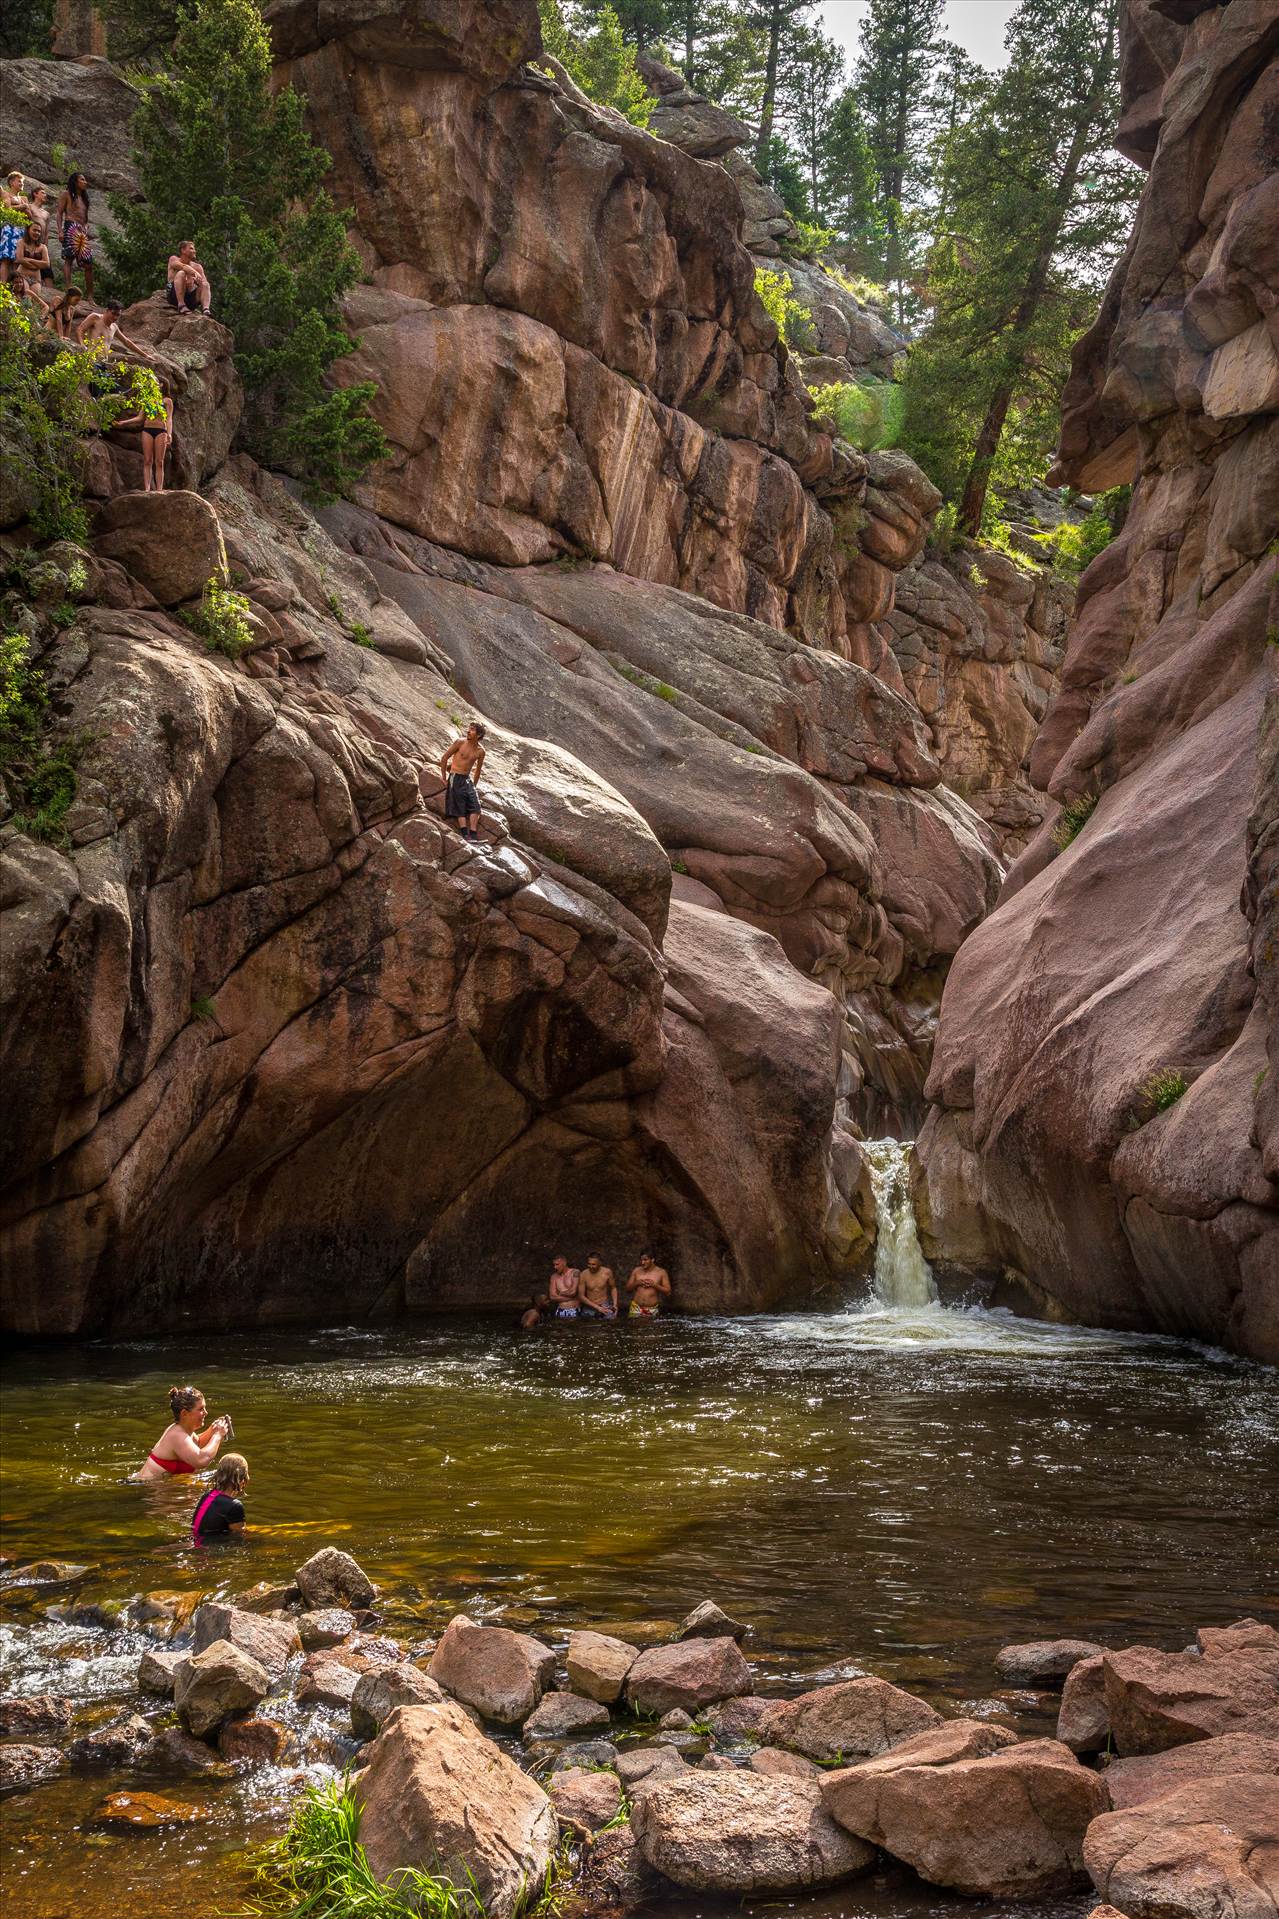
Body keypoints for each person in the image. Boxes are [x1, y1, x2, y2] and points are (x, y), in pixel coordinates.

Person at [135, 1385, 230, 1480]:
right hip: (148, 1488)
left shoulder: (184, 1430)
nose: (206, 1413)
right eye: (201, 1409)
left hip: (164, 1488)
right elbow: (201, 1460)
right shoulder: (176, 1434)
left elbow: (198, 1444)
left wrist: (213, 1429)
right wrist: (217, 1435)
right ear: (184, 1413)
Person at [113, 382, 173, 492]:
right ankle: (147, 489)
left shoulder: (167, 401)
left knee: (159, 461)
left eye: (156, 382)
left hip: (161, 431)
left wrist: (169, 434)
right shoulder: (147, 400)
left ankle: (159, 489)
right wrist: (123, 423)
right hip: (147, 430)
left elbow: (169, 419)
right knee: (147, 460)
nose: (153, 384)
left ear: (162, 385)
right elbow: (140, 418)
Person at [439, 723, 487, 842]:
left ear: (479, 734)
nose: (468, 731)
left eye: (472, 730)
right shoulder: (460, 742)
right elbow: (444, 758)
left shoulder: (481, 751)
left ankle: (473, 834)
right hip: (455, 776)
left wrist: (474, 786)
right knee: (459, 804)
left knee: (475, 806)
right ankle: (465, 834)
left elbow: (478, 770)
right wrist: (444, 778)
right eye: (469, 729)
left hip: (467, 779)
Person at [192, 1454, 249, 1544]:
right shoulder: (235, 1506)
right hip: (211, 1550)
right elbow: (239, 1535)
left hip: (195, 1541)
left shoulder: (207, 1496)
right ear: (243, 1481)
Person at [56, 172, 94, 298]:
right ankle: (69, 290)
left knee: (88, 264)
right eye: (82, 180)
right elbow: (59, 213)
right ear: (75, 182)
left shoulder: (84, 198)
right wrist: (60, 231)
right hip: (70, 226)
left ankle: (90, 296)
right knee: (69, 259)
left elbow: (86, 217)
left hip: (82, 231)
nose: (85, 182)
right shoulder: (66, 194)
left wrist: (86, 226)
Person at [75, 299, 144, 355]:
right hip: (91, 360)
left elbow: (126, 341)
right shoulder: (95, 317)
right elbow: (80, 329)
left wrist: (145, 355)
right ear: (107, 311)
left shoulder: (114, 327)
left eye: (118, 315)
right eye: (113, 314)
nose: (115, 317)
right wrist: (82, 345)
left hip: (103, 363)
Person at [166, 239, 211, 315]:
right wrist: (194, 272)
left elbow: (203, 283)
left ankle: (206, 309)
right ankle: (181, 305)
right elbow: (183, 267)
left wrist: (195, 281)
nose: (194, 251)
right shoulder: (174, 259)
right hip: (174, 297)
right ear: (183, 250)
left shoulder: (197, 266)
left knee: (206, 284)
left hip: (190, 299)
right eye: (191, 248)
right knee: (181, 273)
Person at [0, 170, 28, 286]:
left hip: (21, 229)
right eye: (19, 181)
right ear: (11, 182)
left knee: (17, 259)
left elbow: (28, 214)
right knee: (6, 258)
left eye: (22, 182)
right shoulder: (6, 194)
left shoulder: (23, 198)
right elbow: (8, 209)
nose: (22, 184)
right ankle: (3, 285)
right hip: (9, 228)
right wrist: (22, 207)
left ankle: (14, 286)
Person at [626, 1252, 671, 1318]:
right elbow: (627, 1289)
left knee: (650, 1327)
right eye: (641, 1260)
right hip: (635, 1307)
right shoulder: (636, 1270)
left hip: (651, 1309)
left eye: (645, 1260)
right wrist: (637, 1283)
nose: (642, 1262)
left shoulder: (661, 1272)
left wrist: (655, 1285)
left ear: (652, 1260)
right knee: (634, 1327)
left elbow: (668, 1291)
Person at [579, 1254, 618, 1319]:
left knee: (609, 1322)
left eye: (593, 1264)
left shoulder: (607, 1272)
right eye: (589, 1264)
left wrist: (615, 1305)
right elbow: (581, 1296)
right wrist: (597, 1308)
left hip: (604, 1304)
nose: (591, 1266)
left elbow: (613, 1288)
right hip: (590, 1305)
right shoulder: (583, 1274)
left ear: (600, 1263)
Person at [547, 1254, 581, 1319]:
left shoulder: (575, 1272)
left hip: (574, 1309)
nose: (555, 1267)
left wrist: (560, 1293)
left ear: (564, 1263)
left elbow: (573, 1292)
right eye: (554, 1265)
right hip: (560, 1310)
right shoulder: (554, 1277)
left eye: (557, 1264)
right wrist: (571, 1298)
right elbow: (552, 1296)